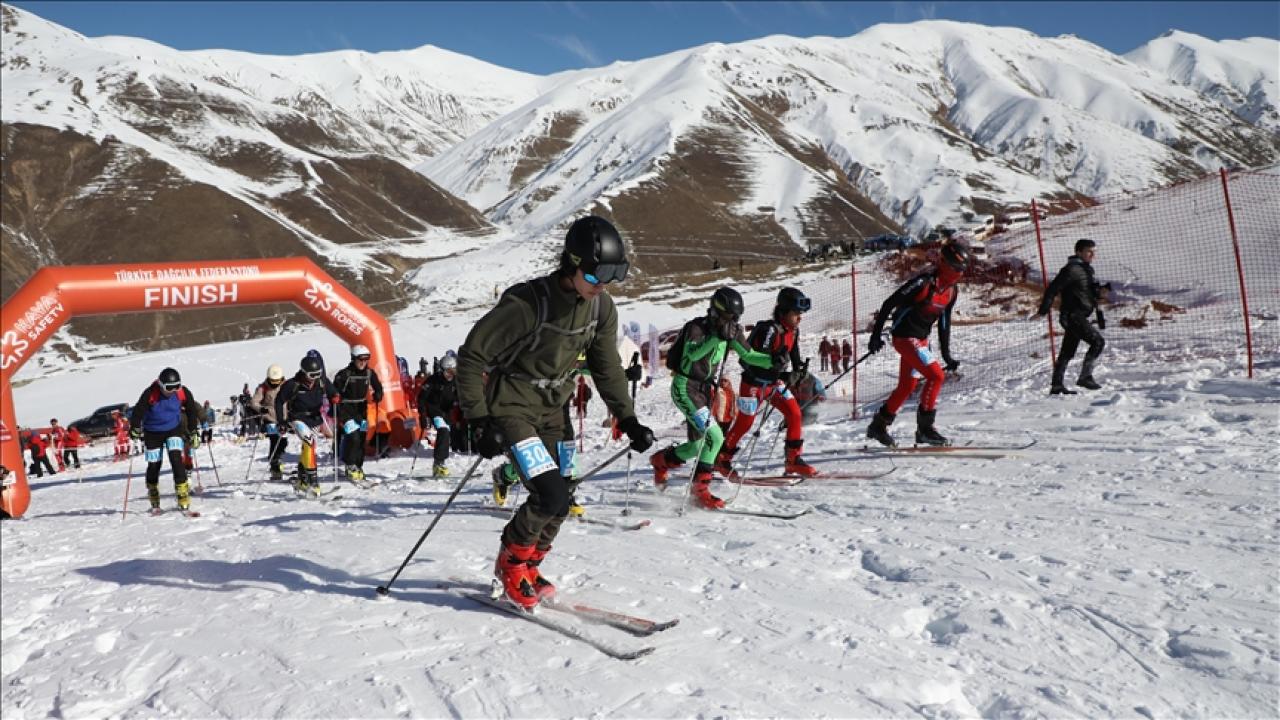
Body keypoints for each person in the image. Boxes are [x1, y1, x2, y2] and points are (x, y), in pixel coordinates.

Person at [457, 215, 655, 610]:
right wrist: (480, 419)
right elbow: (471, 355)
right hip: (512, 406)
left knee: (563, 495)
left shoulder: (600, 308)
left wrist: (627, 417)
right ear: (572, 264)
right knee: (548, 494)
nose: (602, 288)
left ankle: (532, 563)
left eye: (609, 280)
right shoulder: (528, 304)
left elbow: (606, 367)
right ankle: (510, 564)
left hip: (553, 409)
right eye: (596, 278)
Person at [650, 287, 773, 508]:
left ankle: (661, 461)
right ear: (716, 312)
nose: (732, 322)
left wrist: (775, 361)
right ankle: (700, 490)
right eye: (728, 316)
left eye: (735, 318)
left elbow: (749, 355)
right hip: (685, 386)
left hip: (705, 390)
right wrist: (716, 337)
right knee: (715, 437)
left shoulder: (730, 331)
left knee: (698, 446)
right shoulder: (697, 328)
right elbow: (692, 353)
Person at [864, 241, 969, 447]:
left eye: (962, 269)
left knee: (907, 386)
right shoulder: (924, 282)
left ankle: (878, 425)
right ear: (944, 263)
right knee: (936, 376)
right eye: (956, 268)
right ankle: (925, 429)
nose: (959, 273)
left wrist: (947, 355)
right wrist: (874, 336)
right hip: (905, 338)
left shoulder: (951, 291)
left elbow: (944, 323)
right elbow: (889, 304)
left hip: (920, 340)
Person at [714, 287, 818, 479]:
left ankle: (793, 460)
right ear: (784, 311)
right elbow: (755, 361)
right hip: (753, 384)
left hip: (773, 384)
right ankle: (721, 458)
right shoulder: (770, 330)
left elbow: (794, 354)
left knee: (794, 413)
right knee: (745, 423)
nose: (799, 318)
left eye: (800, 314)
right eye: (796, 313)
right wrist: (784, 375)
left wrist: (798, 371)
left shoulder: (793, 331)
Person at [129, 368, 203, 513]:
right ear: (161, 384)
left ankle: (182, 495)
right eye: (169, 388)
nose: (173, 391)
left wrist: (194, 431)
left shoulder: (183, 393)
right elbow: (138, 411)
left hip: (173, 429)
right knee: (155, 464)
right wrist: (135, 428)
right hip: (153, 432)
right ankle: (153, 494)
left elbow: (191, 410)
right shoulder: (150, 393)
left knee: (176, 460)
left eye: (177, 386)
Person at [1037, 238, 1107, 393]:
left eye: (1094, 251)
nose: (1093, 254)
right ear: (1078, 252)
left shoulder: (1085, 269)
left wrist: (1097, 292)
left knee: (1067, 351)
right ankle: (1085, 377)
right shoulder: (1071, 269)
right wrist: (1043, 311)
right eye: (1089, 251)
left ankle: (1057, 385)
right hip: (1072, 315)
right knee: (1098, 342)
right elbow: (1052, 289)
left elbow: (1082, 291)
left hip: (1078, 314)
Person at [275, 355, 339, 495]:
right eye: (312, 375)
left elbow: (332, 392)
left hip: (315, 419)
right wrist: (281, 421)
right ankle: (313, 482)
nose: (314, 378)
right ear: (304, 372)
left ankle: (302, 480)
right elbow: (279, 401)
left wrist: (334, 398)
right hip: (298, 418)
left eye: (318, 374)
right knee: (309, 442)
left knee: (309, 448)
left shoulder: (321, 381)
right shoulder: (292, 385)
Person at [333, 345, 384, 482]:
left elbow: (378, 386)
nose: (363, 362)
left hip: (361, 409)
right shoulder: (344, 374)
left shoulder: (369, 373)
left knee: (361, 439)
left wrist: (379, 394)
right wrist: (336, 402)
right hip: (346, 409)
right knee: (353, 437)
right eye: (360, 359)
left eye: (366, 359)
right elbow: (334, 392)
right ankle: (350, 465)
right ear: (353, 358)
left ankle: (358, 465)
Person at [418, 354, 461, 478]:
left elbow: (460, 396)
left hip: (446, 412)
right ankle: (439, 463)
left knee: (446, 434)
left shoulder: (455, 381)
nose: (450, 375)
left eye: (453, 371)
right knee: (443, 431)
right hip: (434, 410)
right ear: (442, 370)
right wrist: (422, 414)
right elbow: (421, 398)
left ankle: (441, 462)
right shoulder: (433, 380)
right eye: (448, 372)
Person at [249, 364, 288, 478]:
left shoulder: (287, 386)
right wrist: (261, 408)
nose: (275, 383)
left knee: (283, 442)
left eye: (277, 381)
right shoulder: (263, 388)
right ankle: (274, 465)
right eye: (273, 381)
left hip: (283, 419)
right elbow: (254, 402)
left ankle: (277, 459)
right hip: (270, 418)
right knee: (275, 440)